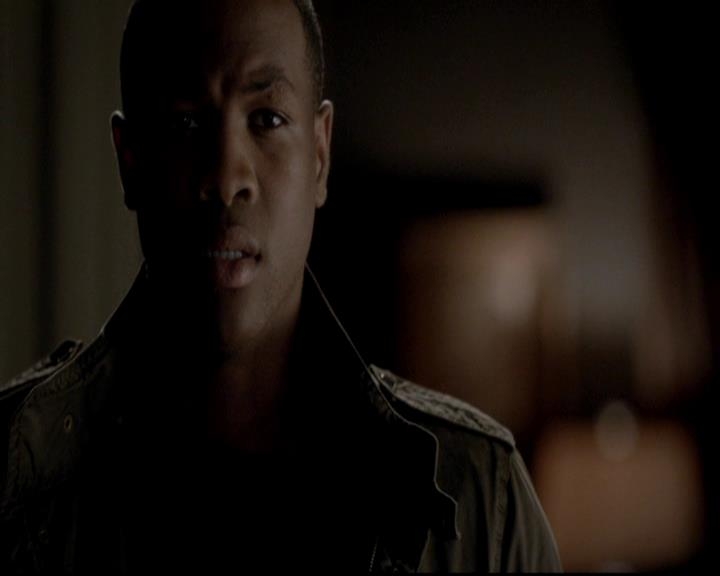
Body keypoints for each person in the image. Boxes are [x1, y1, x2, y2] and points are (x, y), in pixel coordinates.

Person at [0, 0, 562, 572]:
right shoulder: (11, 478)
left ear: (319, 154)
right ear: (130, 161)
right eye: (184, 123)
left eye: (266, 119)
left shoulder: (481, 503)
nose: (227, 179)